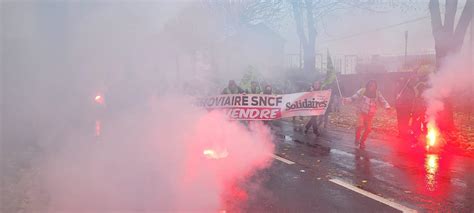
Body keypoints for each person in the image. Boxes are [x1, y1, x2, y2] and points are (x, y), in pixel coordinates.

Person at [344, 80, 391, 148]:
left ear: (375, 87)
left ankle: (362, 142)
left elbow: (383, 101)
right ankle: (357, 139)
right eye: (370, 85)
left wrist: (387, 107)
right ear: (368, 85)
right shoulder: (362, 91)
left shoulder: (377, 93)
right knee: (359, 125)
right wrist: (347, 100)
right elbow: (353, 97)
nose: (372, 87)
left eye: (374, 86)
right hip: (361, 112)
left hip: (370, 114)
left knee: (368, 129)